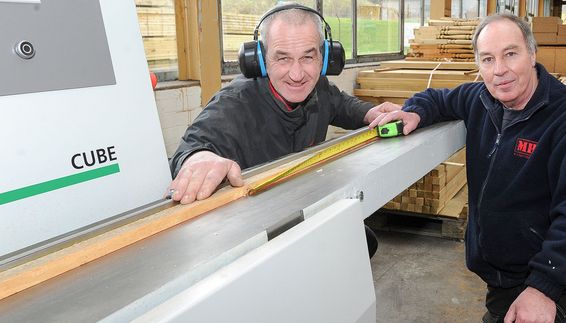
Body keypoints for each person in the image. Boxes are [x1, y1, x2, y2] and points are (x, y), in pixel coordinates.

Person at [370, 13, 566, 323]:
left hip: (552, 263)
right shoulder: (479, 99)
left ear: (532, 53)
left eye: (511, 54)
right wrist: (414, 112)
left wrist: (544, 288)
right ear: (478, 65)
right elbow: (437, 98)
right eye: (487, 59)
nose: (499, 70)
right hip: (499, 264)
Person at [168, 3, 400, 257]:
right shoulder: (235, 103)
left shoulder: (318, 89)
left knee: (363, 242)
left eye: (308, 57)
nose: (297, 74)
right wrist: (199, 157)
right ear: (259, 59)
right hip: (253, 229)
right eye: (282, 58)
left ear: (325, 58)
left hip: (300, 205)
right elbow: (194, 146)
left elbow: (342, 104)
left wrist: (369, 113)